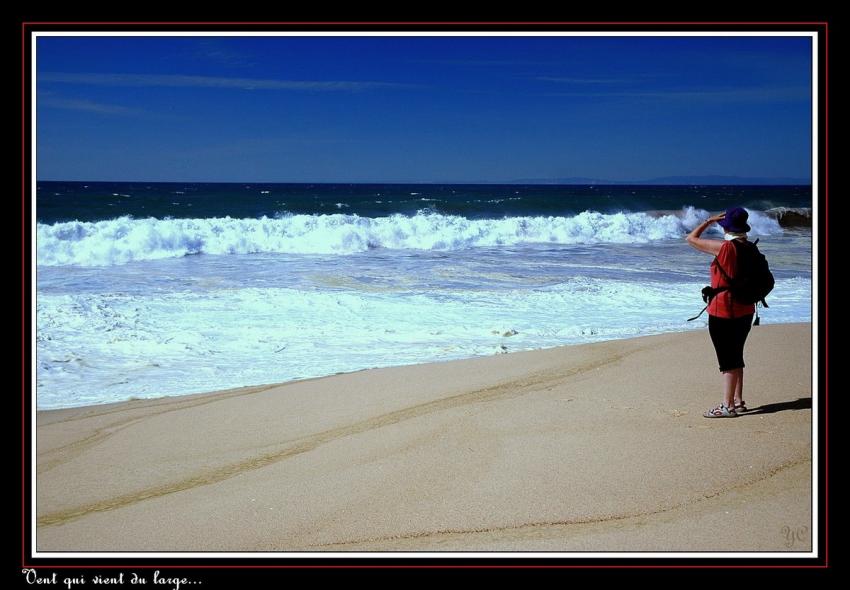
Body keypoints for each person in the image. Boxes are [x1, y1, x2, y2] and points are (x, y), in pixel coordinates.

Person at [686, 207, 756, 418]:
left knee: (727, 360)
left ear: (726, 227)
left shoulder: (725, 248)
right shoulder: (750, 247)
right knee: (736, 355)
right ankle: (737, 401)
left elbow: (690, 238)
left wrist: (708, 221)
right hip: (746, 307)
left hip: (724, 310)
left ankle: (727, 407)